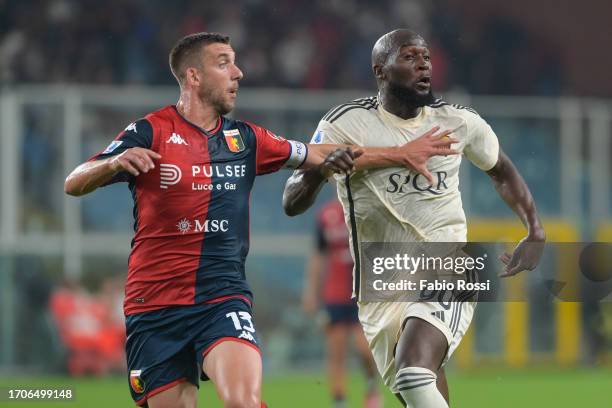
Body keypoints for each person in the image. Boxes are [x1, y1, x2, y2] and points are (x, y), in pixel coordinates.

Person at [64, 32, 458, 408]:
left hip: (221, 297)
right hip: (154, 305)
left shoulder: (247, 139)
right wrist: (113, 163)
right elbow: (74, 182)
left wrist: (400, 152)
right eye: (224, 65)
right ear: (193, 76)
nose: (238, 73)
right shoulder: (150, 132)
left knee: (243, 401)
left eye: (235, 64)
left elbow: (322, 154)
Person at [283, 29, 546, 407]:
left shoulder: (457, 122)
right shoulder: (344, 123)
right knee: (418, 388)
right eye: (409, 57)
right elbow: (291, 201)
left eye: (425, 56)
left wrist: (534, 227)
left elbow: (500, 168)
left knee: (413, 370)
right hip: (381, 281)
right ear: (381, 71)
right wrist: (321, 168)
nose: (423, 63)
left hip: (447, 261)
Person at [303, 199, 381, 408]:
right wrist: (311, 292)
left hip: (363, 292)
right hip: (334, 293)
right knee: (336, 350)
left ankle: (372, 386)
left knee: (364, 348)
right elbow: (319, 255)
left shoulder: (367, 209)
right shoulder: (326, 215)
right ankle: (340, 401)